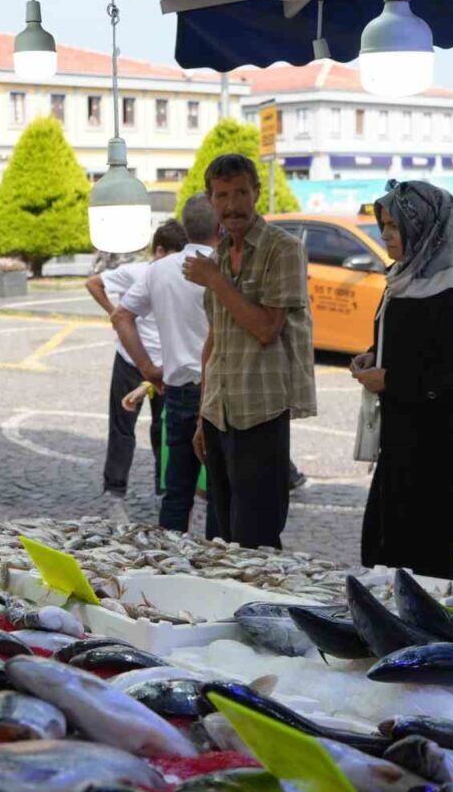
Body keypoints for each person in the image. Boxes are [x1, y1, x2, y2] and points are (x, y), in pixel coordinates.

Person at [351, 180, 453, 579]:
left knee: (440, 559)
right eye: (383, 226)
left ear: (424, 229)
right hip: (404, 443)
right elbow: (408, 341)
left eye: (395, 227)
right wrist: (374, 354)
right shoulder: (405, 277)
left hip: (444, 455)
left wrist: (391, 380)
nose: (386, 236)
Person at [184, 154, 316, 549]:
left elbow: (265, 328)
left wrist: (216, 281)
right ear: (211, 201)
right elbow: (215, 340)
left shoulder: (282, 249)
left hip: (260, 413)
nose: (232, 204)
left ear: (256, 193)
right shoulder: (219, 255)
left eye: (241, 192)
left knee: (256, 540)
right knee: (221, 538)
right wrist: (202, 416)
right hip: (219, 413)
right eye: (222, 195)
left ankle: (264, 609)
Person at [114, 195, 220, 535]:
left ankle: (169, 559)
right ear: (220, 224)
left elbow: (121, 316)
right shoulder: (225, 266)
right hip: (219, 390)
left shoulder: (159, 270)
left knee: (178, 491)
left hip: (178, 391)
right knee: (220, 492)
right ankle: (219, 563)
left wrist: (146, 367)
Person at [85, 221, 185, 499]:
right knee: (122, 427)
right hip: (131, 360)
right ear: (160, 252)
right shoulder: (137, 272)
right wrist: (114, 313)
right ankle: (114, 487)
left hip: (166, 367)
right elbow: (93, 283)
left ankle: (164, 487)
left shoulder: (184, 276)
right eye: (175, 256)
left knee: (164, 429)